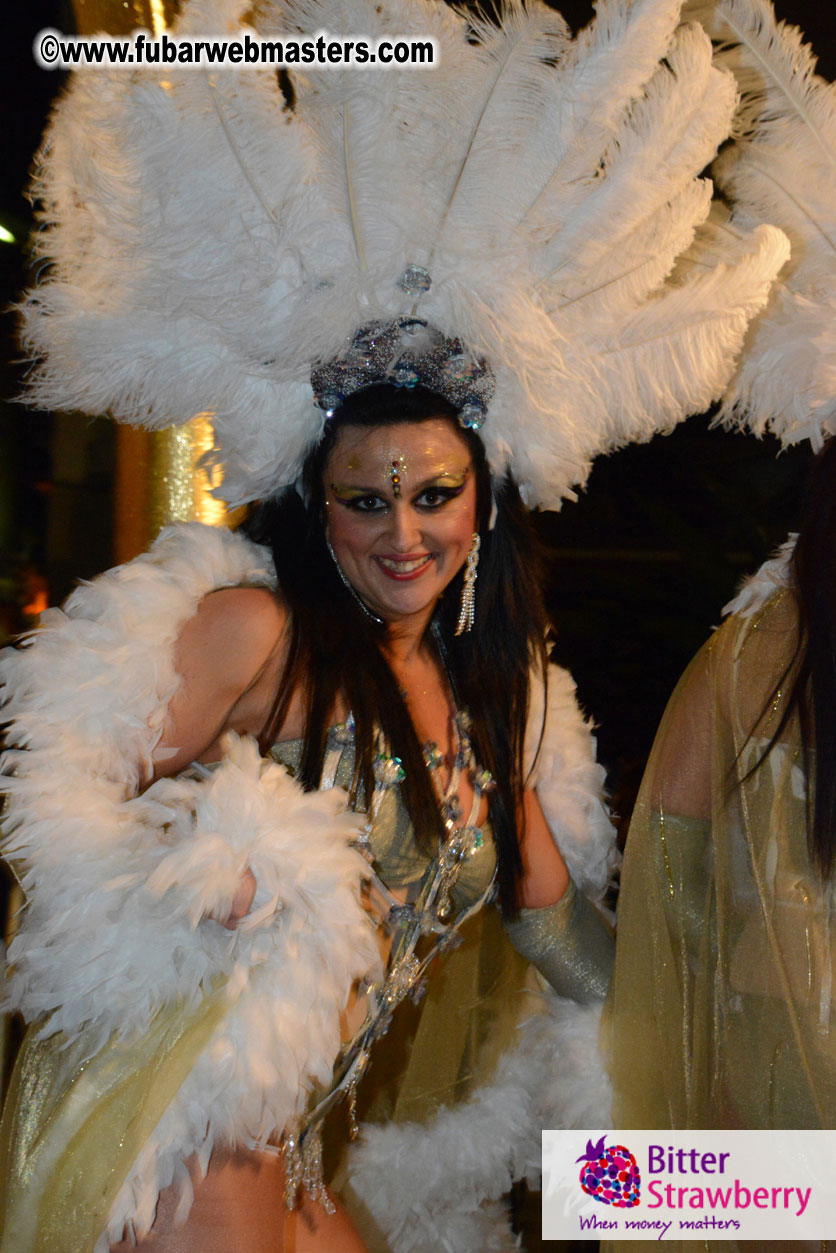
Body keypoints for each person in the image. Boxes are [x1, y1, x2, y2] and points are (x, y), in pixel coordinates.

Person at [0, 0, 791, 1246]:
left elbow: (549, 925)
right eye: (363, 500)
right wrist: (194, 884)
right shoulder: (254, 631)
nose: (400, 532)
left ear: (483, 502)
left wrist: (736, 992)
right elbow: (55, 816)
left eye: (432, 495)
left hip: (309, 1150)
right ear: (318, 510)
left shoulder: (494, 700)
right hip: (192, 1135)